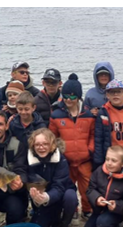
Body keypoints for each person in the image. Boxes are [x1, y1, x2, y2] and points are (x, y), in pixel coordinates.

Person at [50, 73, 97, 218]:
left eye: (72, 96)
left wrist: (90, 150)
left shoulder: (89, 115)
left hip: (84, 159)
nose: (68, 100)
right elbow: (52, 137)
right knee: (67, 187)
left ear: (78, 97)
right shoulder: (56, 115)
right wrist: (60, 153)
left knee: (87, 187)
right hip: (66, 161)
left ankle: (87, 210)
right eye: (65, 96)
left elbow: (93, 135)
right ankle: (73, 209)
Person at [26, 128, 79, 227]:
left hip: (60, 194)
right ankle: (50, 219)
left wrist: (46, 197)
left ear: (52, 145)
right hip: (41, 199)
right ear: (33, 145)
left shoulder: (61, 159)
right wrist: (36, 197)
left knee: (70, 196)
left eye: (45, 144)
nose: (41, 147)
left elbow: (59, 187)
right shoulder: (28, 160)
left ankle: (64, 226)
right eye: (38, 144)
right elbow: (29, 183)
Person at [81, 146, 123, 227]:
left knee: (104, 223)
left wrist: (117, 206)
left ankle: (114, 226)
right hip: (99, 210)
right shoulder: (99, 171)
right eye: (107, 159)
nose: (109, 163)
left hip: (117, 212)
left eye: (114, 160)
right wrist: (97, 198)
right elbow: (90, 189)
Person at [93, 79, 123, 170]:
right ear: (107, 95)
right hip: (112, 159)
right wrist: (98, 160)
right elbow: (99, 138)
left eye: (118, 92)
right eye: (112, 92)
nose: (115, 95)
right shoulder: (104, 112)